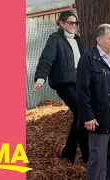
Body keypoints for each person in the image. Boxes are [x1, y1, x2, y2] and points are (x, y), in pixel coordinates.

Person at [33, 10, 88, 163]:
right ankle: (69, 153)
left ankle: (85, 155)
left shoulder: (78, 40)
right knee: (81, 112)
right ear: (61, 23)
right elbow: (46, 60)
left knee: (82, 115)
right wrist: (40, 79)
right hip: (63, 83)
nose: (73, 26)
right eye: (70, 22)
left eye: (75, 23)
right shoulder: (55, 39)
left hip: (79, 82)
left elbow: (83, 62)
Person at [76, 24, 110, 180]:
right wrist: (88, 116)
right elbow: (82, 91)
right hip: (97, 115)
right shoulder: (88, 58)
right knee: (98, 157)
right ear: (99, 39)